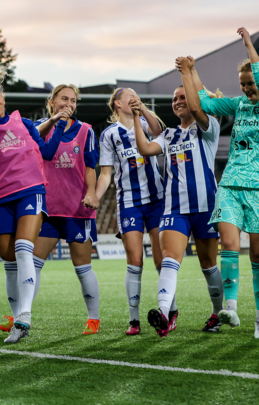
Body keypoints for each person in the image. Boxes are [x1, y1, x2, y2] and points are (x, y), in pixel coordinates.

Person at [0, 65, 68, 343]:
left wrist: (59, 124)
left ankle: (23, 317)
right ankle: (17, 317)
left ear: (4, 99)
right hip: (1, 198)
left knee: (23, 247)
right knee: (7, 255)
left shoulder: (24, 123)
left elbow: (48, 152)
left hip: (30, 191)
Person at [0, 84, 102, 335]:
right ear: (51, 102)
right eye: (64, 99)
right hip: (46, 208)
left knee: (82, 266)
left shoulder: (86, 130)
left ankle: (93, 318)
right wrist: (54, 121)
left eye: (73, 101)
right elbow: (28, 142)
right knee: (32, 262)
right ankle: (21, 314)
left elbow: (90, 167)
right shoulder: (40, 127)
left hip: (77, 208)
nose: (69, 104)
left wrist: (91, 193)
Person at [131, 57, 225, 336]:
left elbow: (197, 106)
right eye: (174, 99)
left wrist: (187, 73)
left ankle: (217, 313)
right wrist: (137, 117)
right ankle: (163, 312)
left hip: (207, 207)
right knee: (170, 258)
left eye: (182, 96)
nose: (177, 101)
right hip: (174, 209)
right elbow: (146, 148)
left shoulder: (208, 127)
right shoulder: (169, 134)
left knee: (208, 265)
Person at [198, 27, 259, 337]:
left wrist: (248, 43)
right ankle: (231, 308)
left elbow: (258, 72)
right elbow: (204, 103)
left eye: (251, 83)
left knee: (258, 256)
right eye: (243, 84)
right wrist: (190, 71)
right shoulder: (238, 106)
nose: (248, 88)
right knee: (231, 246)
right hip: (231, 184)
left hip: (258, 189)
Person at [93, 87, 166, 335]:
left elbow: (160, 133)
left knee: (161, 259)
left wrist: (142, 109)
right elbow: (105, 174)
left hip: (157, 199)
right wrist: (95, 195)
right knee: (135, 261)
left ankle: (169, 312)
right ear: (117, 103)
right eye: (130, 97)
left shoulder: (145, 123)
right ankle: (134, 320)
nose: (134, 99)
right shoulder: (109, 135)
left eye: (137, 96)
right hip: (129, 203)